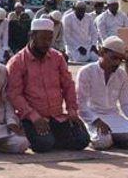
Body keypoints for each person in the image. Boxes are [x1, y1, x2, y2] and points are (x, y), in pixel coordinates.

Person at [6, 18, 89, 154]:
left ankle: (53, 138)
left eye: (49, 39)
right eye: (43, 39)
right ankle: (43, 136)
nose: (47, 43)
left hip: (57, 117)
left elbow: (68, 86)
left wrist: (72, 110)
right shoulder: (17, 62)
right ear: (32, 36)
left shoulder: (57, 58)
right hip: (32, 118)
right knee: (43, 144)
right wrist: (34, 117)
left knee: (82, 140)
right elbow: (15, 95)